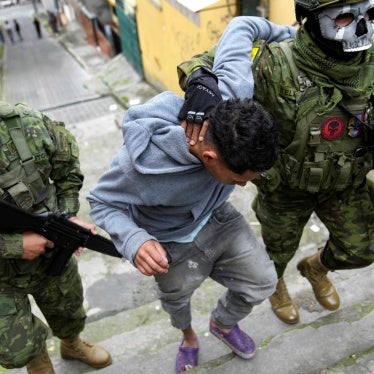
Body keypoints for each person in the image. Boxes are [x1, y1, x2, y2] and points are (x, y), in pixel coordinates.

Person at [88, 19, 294, 374]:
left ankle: (223, 324)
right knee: (176, 302)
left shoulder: (234, 92)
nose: (243, 186)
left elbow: (242, 26)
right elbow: (101, 202)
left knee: (264, 281)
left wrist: (295, 34)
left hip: (218, 219)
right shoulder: (143, 166)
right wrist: (135, 239)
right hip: (169, 243)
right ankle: (189, 338)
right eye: (237, 179)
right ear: (210, 158)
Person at [177, 3, 374, 326]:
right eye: (345, 17)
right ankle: (277, 286)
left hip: (345, 183)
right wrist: (200, 81)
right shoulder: (274, 61)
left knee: (360, 250)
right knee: (276, 254)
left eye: (371, 15)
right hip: (286, 188)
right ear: (311, 18)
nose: (362, 28)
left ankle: (316, 268)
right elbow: (208, 61)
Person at [0, 101, 112, 373]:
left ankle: (71, 344)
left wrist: (66, 216)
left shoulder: (27, 123)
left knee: (69, 308)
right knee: (15, 349)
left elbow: (67, 170)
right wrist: (15, 245)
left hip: (50, 250)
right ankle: (37, 359)